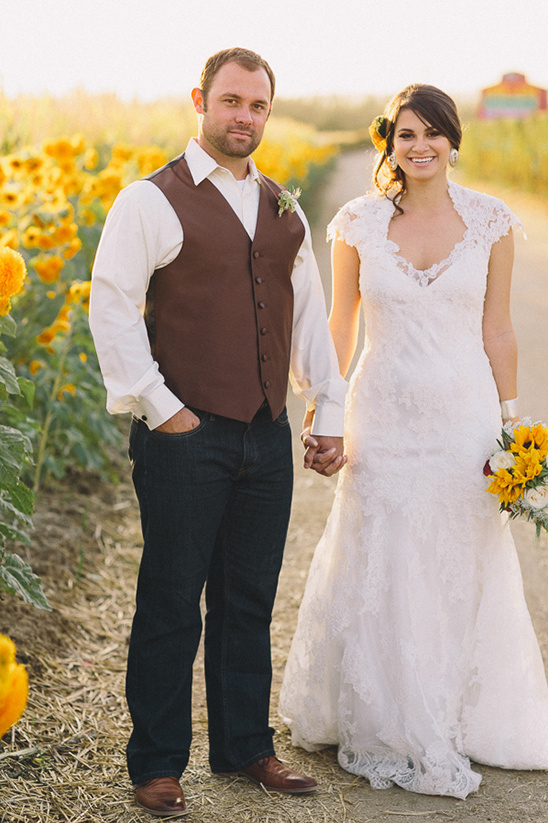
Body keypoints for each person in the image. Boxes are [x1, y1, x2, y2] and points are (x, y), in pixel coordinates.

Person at [89, 47, 347, 818]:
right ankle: (158, 761)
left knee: (248, 598)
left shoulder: (283, 205)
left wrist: (324, 409)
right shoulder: (149, 199)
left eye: (258, 106)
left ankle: (243, 747)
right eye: (231, 101)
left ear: (269, 113)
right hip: (183, 432)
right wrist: (157, 405)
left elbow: (308, 314)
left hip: (264, 436)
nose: (244, 117)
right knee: (170, 598)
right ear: (200, 100)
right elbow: (111, 303)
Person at [279, 83, 548, 800]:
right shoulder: (358, 223)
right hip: (384, 415)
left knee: (459, 554)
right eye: (406, 134)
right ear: (389, 144)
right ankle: (385, 712)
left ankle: (465, 710)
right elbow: (340, 325)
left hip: (465, 416)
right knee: (384, 549)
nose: (420, 146)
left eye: (433, 133)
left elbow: (498, 329)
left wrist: (512, 427)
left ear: (453, 140)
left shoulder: (492, 223)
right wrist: (324, 411)